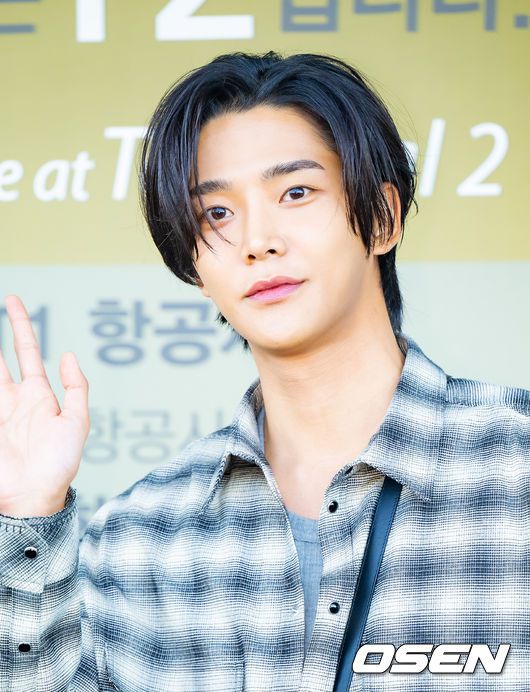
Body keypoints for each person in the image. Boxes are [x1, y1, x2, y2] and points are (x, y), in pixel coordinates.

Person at [0, 50, 528, 692]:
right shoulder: (137, 537)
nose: (257, 241)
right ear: (196, 267)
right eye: (216, 214)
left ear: (382, 217)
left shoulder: (517, 467)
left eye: (296, 193)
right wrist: (28, 512)